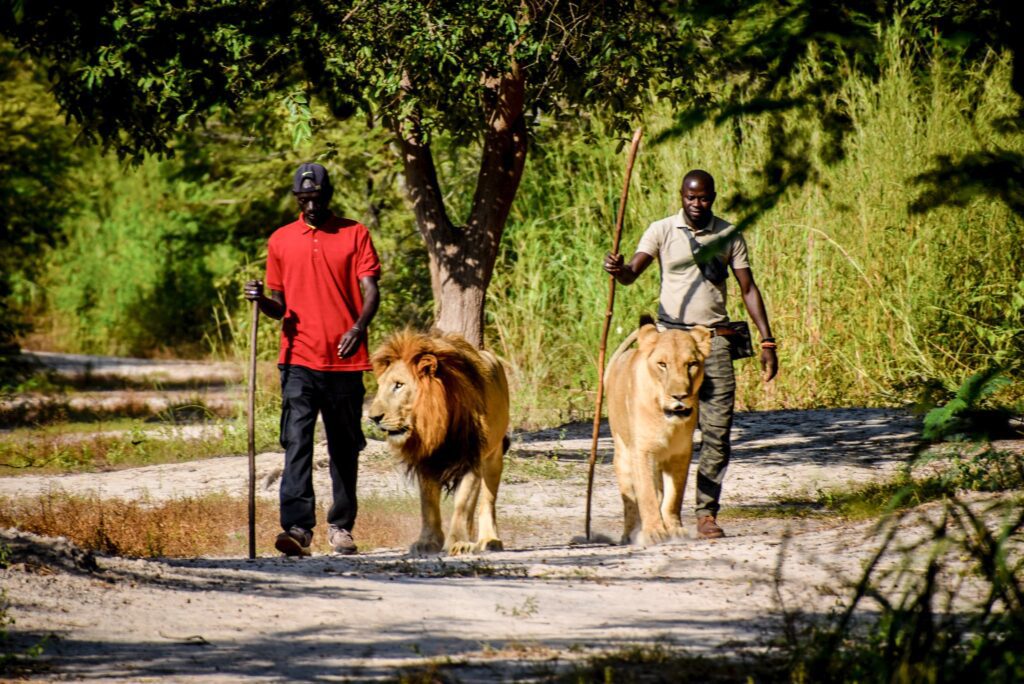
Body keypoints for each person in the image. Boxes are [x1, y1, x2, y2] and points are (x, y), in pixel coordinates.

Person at [603, 169, 778, 539]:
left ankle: (706, 513)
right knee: (659, 433)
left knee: (716, 432)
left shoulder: (728, 234)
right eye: (690, 198)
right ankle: (658, 518)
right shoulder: (662, 230)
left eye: (704, 198)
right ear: (680, 196)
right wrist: (619, 271)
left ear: (713, 197)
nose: (697, 205)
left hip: (711, 342)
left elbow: (748, 289)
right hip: (668, 341)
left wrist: (767, 340)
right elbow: (633, 272)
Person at [244, 162, 381, 556]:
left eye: (317, 198)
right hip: (298, 358)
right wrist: (261, 300)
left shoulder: (355, 233)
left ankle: (341, 526)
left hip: (345, 361)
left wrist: (357, 328)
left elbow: (370, 290)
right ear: (296, 199)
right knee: (297, 443)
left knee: (343, 445)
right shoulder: (281, 240)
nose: (311, 206)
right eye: (304, 199)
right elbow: (281, 308)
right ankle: (298, 529)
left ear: (328, 196)